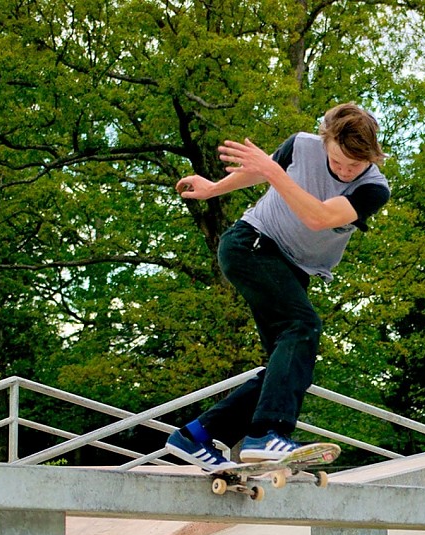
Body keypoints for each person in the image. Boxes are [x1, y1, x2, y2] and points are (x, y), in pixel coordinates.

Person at [164, 103, 390, 469]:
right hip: (252, 245)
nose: (346, 171)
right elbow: (256, 173)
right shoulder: (301, 145)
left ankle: (197, 435)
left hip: (292, 268)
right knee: (302, 327)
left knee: (288, 368)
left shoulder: (374, 189)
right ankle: (268, 433)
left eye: (355, 166)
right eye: (338, 162)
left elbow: (320, 217)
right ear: (325, 141)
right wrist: (213, 190)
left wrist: (272, 172)